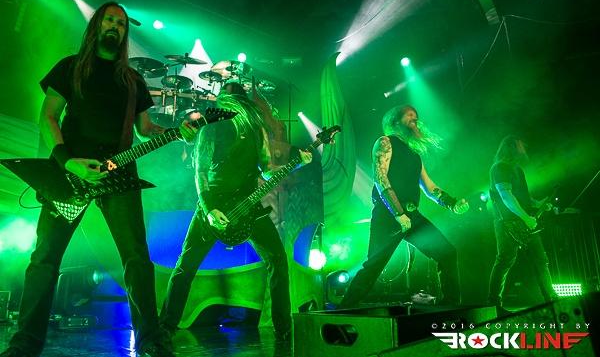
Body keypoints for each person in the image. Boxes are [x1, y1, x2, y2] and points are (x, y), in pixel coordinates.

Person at [0, 1, 197, 357]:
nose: (115, 27)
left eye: (121, 24)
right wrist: (68, 162)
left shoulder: (133, 81)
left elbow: (145, 129)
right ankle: (24, 344)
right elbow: (48, 117)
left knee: (137, 258)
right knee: (45, 258)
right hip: (69, 174)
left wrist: (178, 131)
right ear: (96, 26)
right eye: (109, 20)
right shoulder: (70, 67)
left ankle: (151, 340)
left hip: (118, 173)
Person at [159, 88, 312, 342]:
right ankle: (165, 327)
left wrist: (296, 163)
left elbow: (267, 170)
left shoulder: (256, 130)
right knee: (186, 266)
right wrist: (209, 209)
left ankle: (284, 329)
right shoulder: (211, 127)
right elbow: (200, 171)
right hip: (214, 204)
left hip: (249, 205)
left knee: (278, 260)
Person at [339, 105, 469, 308]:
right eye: (409, 114)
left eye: (416, 115)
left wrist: (452, 203)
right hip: (388, 216)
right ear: (395, 121)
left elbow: (430, 187)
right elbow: (380, 179)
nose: (414, 117)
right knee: (374, 266)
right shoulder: (385, 142)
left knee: (447, 253)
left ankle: (451, 305)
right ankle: (345, 308)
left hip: (411, 215)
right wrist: (398, 213)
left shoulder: (415, 153)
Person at [487, 135, 556, 308]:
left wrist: (539, 204)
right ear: (510, 147)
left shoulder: (517, 169)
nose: (524, 148)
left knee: (541, 260)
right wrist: (526, 218)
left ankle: (552, 299)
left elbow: (523, 197)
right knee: (505, 260)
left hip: (525, 222)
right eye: (520, 145)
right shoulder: (500, 167)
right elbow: (506, 196)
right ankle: (494, 304)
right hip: (507, 223)